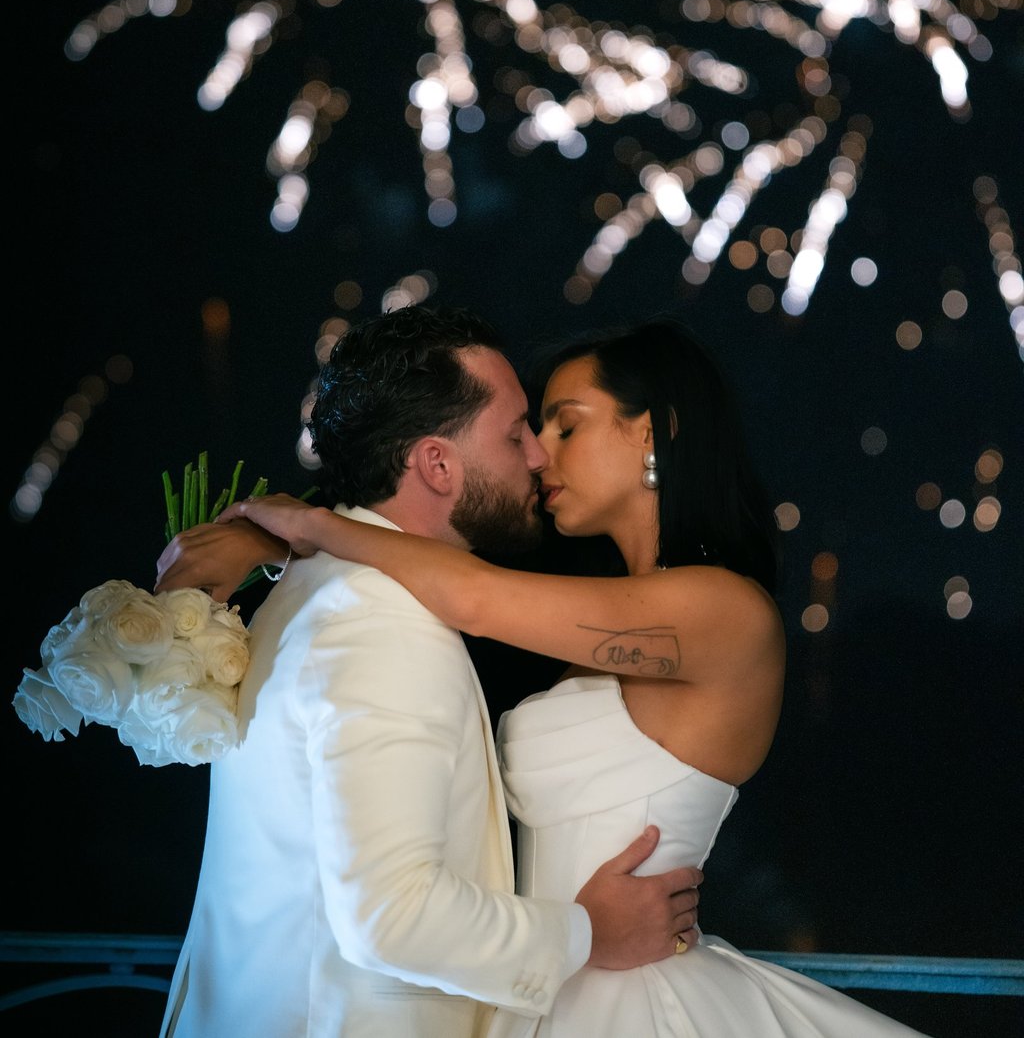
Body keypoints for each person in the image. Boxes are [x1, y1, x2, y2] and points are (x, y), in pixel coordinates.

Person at [200, 316, 931, 1038]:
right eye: (528, 430)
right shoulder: (604, 609)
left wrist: (310, 528)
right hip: (554, 975)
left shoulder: (726, 611)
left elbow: (473, 596)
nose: (538, 454)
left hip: (631, 989)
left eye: (565, 426)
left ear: (652, 433)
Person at [153, 306, 703, 1038]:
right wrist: (586, 933)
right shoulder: (377, 624)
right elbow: (391, 915)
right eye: (515, 434)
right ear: (438, 465)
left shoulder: (321, 587)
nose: (537, 457)